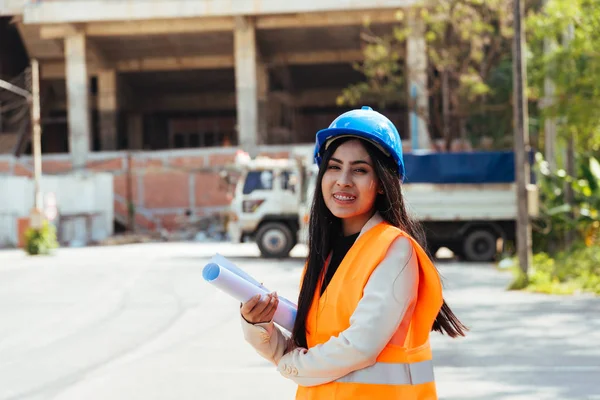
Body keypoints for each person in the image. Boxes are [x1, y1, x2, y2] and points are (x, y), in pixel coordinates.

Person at [240, 106, 467, 399]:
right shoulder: (325, 257)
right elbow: (306, 348)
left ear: (384, 184)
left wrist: (290, 365)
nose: (343, 180)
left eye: (359, 170)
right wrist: (258, 325)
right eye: (334, 167)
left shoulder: (394, 249)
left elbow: (360, 346)